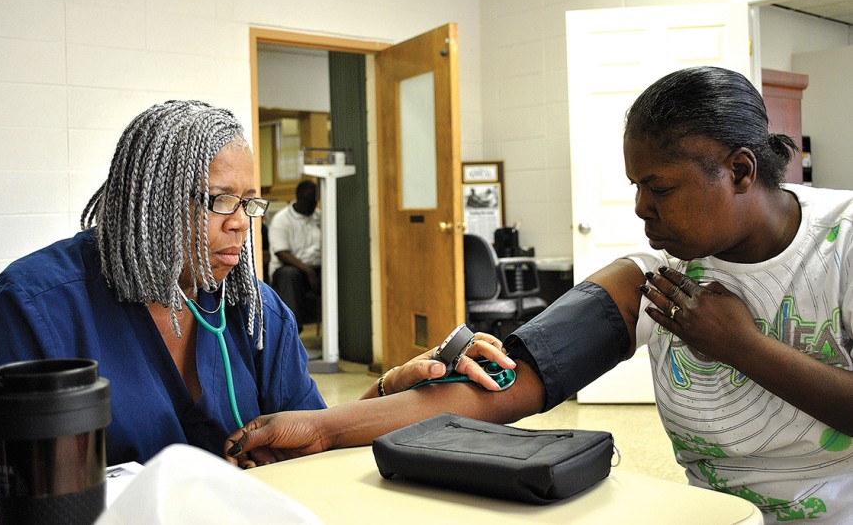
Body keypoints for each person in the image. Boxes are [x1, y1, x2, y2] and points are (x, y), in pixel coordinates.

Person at [225, 67, 853, 524]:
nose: (639, 210)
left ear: (741, 172)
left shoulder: (842, 247)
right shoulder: (654, 278)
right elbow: (503, 384)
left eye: (658, 189)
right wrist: (321, 426)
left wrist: (740, 346)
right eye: (635, 187)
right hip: (716, 516)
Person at [0, 100, 512, 488]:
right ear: (146, 203)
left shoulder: (254, 311)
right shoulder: (32, 310)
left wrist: (391, 391)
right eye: (218, 201)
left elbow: (306, 435)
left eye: (250, 204)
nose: (241, 225)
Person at [268, 179, 322, 331]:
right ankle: (292, 329)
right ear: (298, 197)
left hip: (316, 266)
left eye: (315, 201)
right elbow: (282, 253)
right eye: (309, 201)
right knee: (289, 275)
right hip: (291, 267)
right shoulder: (282, 219)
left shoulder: (319, 216)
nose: (313, 205)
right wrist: (308, 271)